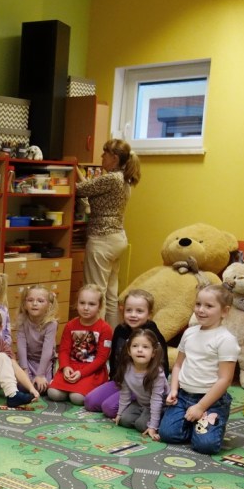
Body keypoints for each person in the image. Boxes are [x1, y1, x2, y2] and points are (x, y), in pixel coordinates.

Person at [158, 284, 240, 454]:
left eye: (209, 306)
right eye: (198, 304)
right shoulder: (189, 333)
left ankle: (208, 423)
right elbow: (178, 364)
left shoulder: (226, 339)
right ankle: (195, 424)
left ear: (224, 311)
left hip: (211, 400)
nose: (201, 310)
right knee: (167, 434)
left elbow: (225, 379)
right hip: (183, 396)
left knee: (206, 446)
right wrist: (174, 389)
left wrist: (201, 407)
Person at [75, 138, 142, 327]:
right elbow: (90, 187)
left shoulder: (111, 179)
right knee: (111, 295)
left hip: (102, 239)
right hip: (117, 239)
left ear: (114, 158)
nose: (101, 156)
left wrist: (70, 172)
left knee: (95, 292)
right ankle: (111, 338)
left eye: (105, 153)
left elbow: (79, 190)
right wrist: (78, 171)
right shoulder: (123, 179)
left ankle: (96, 337)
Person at [84, 289, 169, 418]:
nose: (133, 315)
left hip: (143, 386)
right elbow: (114, 358)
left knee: (109, 408)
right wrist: (114, 378)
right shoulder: (120, 330)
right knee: (90, 402)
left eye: (139, 311)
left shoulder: (153, 335)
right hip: (121, 381)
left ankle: (138, 406)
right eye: (129, 310)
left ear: (149, 314)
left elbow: (163, 366)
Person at [46, 284, 113, 405]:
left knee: (77, 398)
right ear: (77, 304)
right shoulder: (70, 325)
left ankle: (79, 390)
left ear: (99, 306)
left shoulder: (105, 328)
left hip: (92, 371)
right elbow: (64, 350)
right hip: (72, 367)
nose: (86, 308)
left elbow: (101, 359)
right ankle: (71, 389)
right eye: (82, 303)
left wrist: (82, 373)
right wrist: (65, 367)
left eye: (91, 304)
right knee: (53, 393)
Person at [112, 327, 169, 440]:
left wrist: (153, 426)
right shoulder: (126, 367)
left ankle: (159, 420)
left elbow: (157, 400)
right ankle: (143, 415)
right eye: (135, 346)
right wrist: (120, 413)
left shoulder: (158, 372)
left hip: (160, 406)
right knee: (124, 420)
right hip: (141, 404)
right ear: (129, 351)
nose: (139, 350)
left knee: (141, 425)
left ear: (153, 353)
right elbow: (125, 393)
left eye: (145, 347)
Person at [14, 284, 58, 393]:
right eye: (30, 300)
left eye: (40, 301)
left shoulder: (51, 324)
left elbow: (47, 351)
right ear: (24, 304)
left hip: (44, 362)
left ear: (49, 305)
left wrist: (40, 375)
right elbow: (21, 346)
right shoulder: (22, 320)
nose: (34, 304)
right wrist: (24, 370)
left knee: (42, 387)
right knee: (21, 386)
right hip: (28, 361)